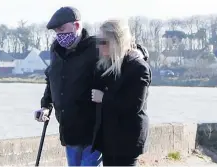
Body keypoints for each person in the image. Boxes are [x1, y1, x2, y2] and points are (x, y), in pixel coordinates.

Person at [33, 6, 102, 166]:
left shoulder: (96, 47)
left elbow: (124, 54)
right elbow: (52, 80)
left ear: (77, 25)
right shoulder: (56, 50)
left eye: (62, 29)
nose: (59, 35)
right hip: (69, 130)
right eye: (57, 31)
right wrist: (46, 105)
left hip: (93, 131)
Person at [91, 19, 152, 166]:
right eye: (98, 41)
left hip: (127, 139)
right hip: (109, 138)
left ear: (117, 41)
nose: (100, 46)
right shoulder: (108, 65)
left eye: (104, 42)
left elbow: (134, 105)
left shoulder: (138, 67)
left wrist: (104, 98)